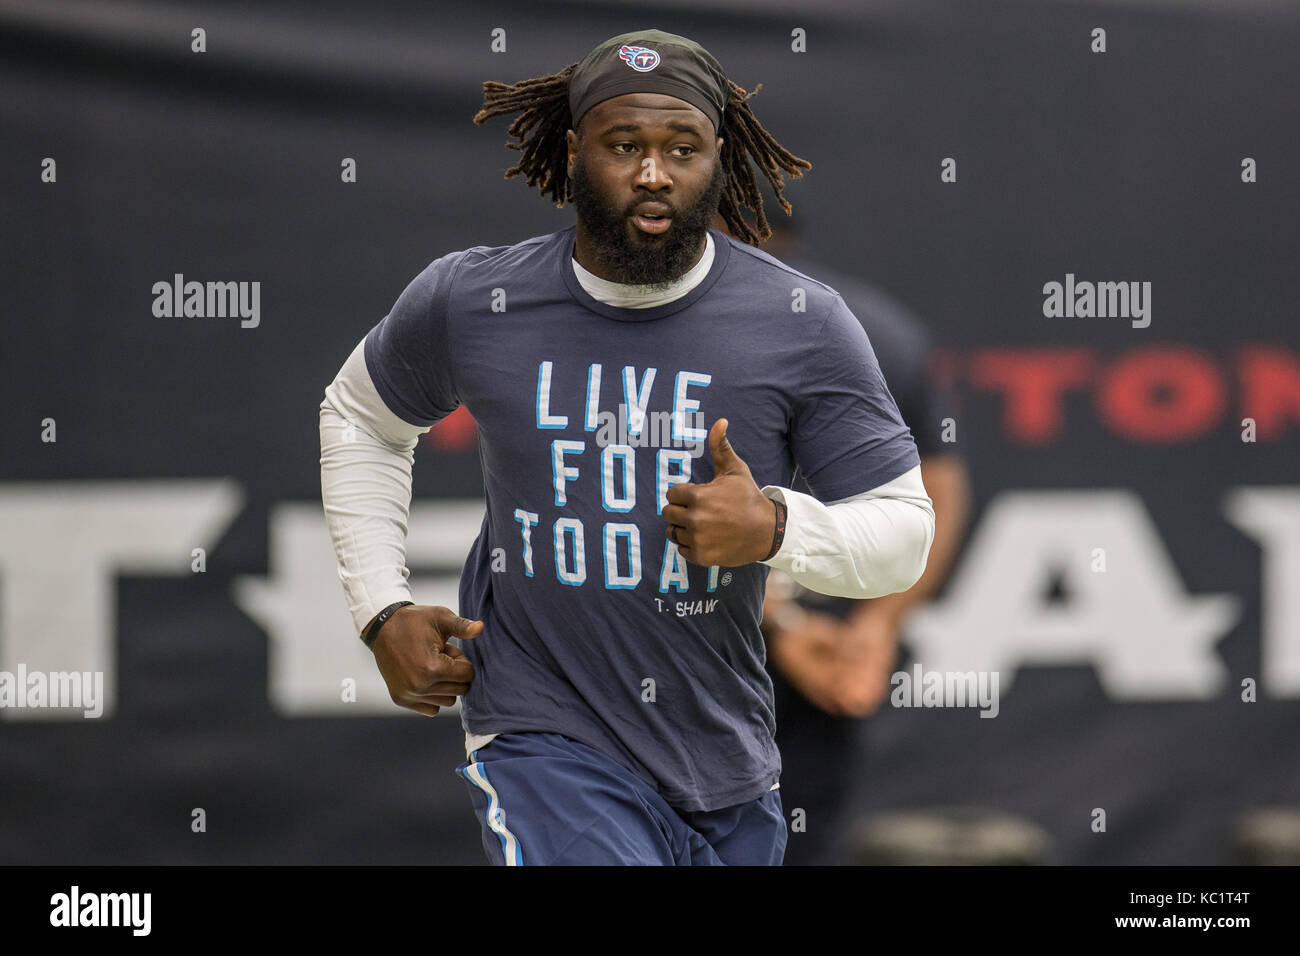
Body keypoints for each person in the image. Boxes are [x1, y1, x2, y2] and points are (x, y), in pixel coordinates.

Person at [318, 28, 935, 866]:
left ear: (719, 161)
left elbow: (903, 535)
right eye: (623, 146)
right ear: (575, 153)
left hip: (726, 759)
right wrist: (380, 609)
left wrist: (775, 530)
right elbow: (361, 417)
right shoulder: (473, 299)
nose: (653, 173)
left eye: (682, 148)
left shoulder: (803, 322)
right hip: (542, 735)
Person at [715, 201, 971, 865]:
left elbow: (659, 493)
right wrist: (876, 625)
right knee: (795, 840)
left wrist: (788, 625)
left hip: (710, 642)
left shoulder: (692, 327)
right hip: (830, 640)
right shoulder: (881, 325)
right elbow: (938, 491)